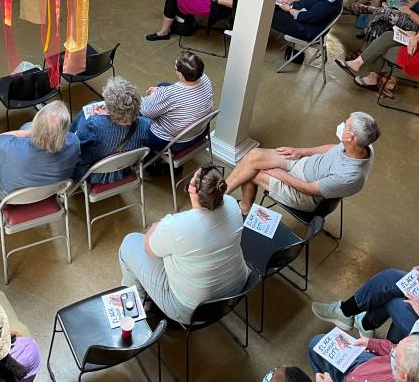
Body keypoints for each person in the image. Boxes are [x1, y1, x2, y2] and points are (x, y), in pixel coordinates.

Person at [117, 165, 248, 323]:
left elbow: (149, 248)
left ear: (192, 190)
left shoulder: (177, 226)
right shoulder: (233, 204)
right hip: (235, 290)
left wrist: (158, 225)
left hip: (191, 310)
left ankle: (137, 306)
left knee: (130, 242)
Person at [225, 111, 378, 215]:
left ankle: (244, 208)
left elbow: (309, 189)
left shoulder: (350, 176)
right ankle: (218, 194)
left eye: (346, 125)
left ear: (351, 137)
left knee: (253, 173)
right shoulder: (362, 145)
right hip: (304, 165)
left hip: (303, 194)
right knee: (254, 156)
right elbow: (333, 148)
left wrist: (280, 174)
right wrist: (300, 151)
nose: (342, 125)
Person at [0, 101, 79, 206]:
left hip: (8, 196)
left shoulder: (9, 148)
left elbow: (0, 138)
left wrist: (33, 132)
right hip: (49, 191)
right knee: (28, 124)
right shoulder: (74, 143)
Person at [70, 77, 151, 184]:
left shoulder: (94, 125)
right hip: (123, 169)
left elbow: (76, 149)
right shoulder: (146, 125)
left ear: (110, 109)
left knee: (88, 108)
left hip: (92, 173)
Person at [140, 51, 214, 153]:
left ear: (181, 74)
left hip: (173, 142)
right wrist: (159, 92)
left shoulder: (169, 94)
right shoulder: (205, 78)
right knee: (163, 84)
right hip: (200, 132)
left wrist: (154, 95)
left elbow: (145, 112)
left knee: (137, 116)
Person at [307, 333, 419, 382]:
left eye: (393, 355)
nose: (392, 348)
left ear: (404, 377)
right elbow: (395, 349)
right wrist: (372, 343)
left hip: (351, 376)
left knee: (315, 347)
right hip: (367, 364)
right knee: (317, 342)